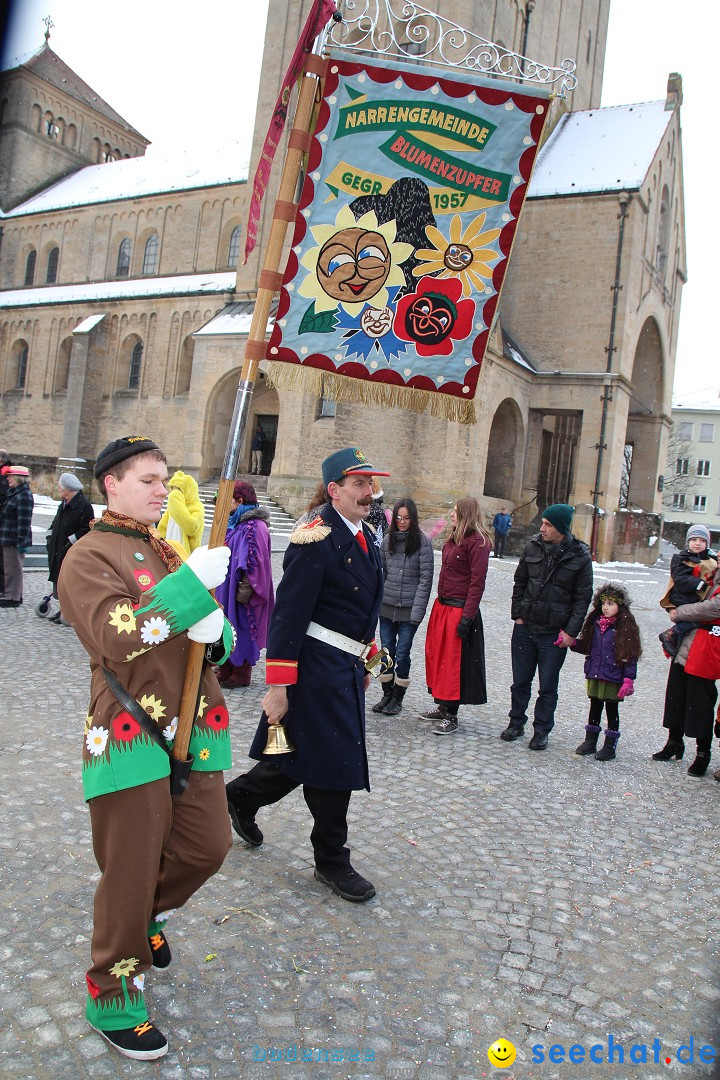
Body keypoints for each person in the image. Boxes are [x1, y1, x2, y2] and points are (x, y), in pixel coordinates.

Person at [58, 436, 233, 1061]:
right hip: (131, 735)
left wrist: (216, 631)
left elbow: (201, 639)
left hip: (193, 727)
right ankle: (112, 994)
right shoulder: (88, 555)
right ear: (112, 483)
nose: (164, 490)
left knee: (208, 847)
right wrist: (189, 591)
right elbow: (115, 634)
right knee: (129, 868)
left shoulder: (164, 548)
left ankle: (141, 918)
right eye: (150, 480)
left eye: (165, 480)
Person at [225, 446, 389, 903]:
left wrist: (368, 657)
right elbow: (288, 617)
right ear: (334, 490)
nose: (368, 492)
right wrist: (278, 686)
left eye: (370, 484)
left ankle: (241, 797)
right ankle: (331, 861)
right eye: (359, 484)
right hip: (314, 669)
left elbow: (360, 608)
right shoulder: (313, 539)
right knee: (334, 764)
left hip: (344, 667)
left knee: (303, 757)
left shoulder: (365, 534)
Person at [501, 503, 593, 750]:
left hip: (554, 632)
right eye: (542, 523)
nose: (542, 528)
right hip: (525, 627)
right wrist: (517, 615)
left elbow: (582, 597)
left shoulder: (579, 556)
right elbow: (519, 582)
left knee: (548, 686)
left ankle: (541, 730)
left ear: (561, 528)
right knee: (520, 681)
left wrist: (571, 632)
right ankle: (516, 722)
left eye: (548, 524)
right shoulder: (533, 546)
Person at [421, 497, 491, 735]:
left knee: (453, 663)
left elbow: (477, 583)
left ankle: (452, 714)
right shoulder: (455, 538)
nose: (451, 514)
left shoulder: (478, 543)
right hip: (443, 606)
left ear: (466, 514)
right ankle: (442, 705)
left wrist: (466, 618)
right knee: (438, 657)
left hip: (459, 609)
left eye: (455, 511)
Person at [652, 562, 720, 777]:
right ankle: (674, 742)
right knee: (676, 695)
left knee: (701, 701)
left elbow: (714, 607)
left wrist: (680, 612)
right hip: (688, 642)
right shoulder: (710, 569)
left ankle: (703, 753)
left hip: (707, 646)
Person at [373, 498, 434, 716]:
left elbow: (425, 579)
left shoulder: (423, 543)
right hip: (387, 607)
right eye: (399, 517)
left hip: (409, 609)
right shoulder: (387, 541)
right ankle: (386, 694)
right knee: (386, 651)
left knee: (403, 652)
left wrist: (417, 612)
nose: (402, 522)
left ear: (413, 518)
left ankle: (398, 698)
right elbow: (381, 574)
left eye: (406, 518)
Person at [571, 583, 642, 761]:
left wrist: (628, 679)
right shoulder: (595, 624)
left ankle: (610, 744)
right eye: (603, 603)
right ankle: (590, 740)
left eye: (611, 604)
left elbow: (630, 655)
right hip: (595, 673)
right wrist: (571, 642)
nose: (606, 607)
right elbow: (588, 646)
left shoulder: (625, 627)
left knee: (611, 709)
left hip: (613, 676)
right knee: (594, 707)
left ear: (620, 605)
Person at [214, 480, 274, 689]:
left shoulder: (255, 527)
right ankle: (226, 667)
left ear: (239, 501)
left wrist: (245, 590)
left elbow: (255, 563)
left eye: (227, 500)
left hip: (242, 591)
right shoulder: (236, 523)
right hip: (227, 587)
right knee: (226, 626)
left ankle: (241, 672)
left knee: (242, 628)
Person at [658, 524, 717, 658]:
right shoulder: (683, 559)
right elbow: (680, 578)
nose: (698, 543)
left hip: (698, 598)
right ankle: (671, 634)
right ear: (688, 542)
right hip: (684, 598)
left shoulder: (710, 559)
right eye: (694, 540)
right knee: (694, 620)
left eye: (702, 541)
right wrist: (699, 584)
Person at [45, 473, 94, 624]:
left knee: (68, 582)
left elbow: (86, 528)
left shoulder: (84, 506)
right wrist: (50, 536)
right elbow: (56, 522)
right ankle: (62, 609)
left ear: (68, 490)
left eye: (60, 487)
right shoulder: (64, 504)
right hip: (57, 548)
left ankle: (68, 612)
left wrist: (70, 541)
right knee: (59, 580)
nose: (58, 489)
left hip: (70, 550)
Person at [0, 464, 33, 608]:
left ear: (18, 478)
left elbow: (24, 521)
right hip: (8, 537)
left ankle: (12, 597)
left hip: (14, 538)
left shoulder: (23, 495)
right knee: (9, 567)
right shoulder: (15, 493)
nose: (8, 479)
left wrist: (21, 542)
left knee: (13, 568)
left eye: (10, 477)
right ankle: (12, 594)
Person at [156, 469, 205, 555]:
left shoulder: (197, 506)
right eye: (173, 488)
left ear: (188, 489)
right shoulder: (173, 506)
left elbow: (191, 528)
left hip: (186, 554)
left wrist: (177, 503)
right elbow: (162, 527)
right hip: (168, 547)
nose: (175, 492)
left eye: (178, 488)